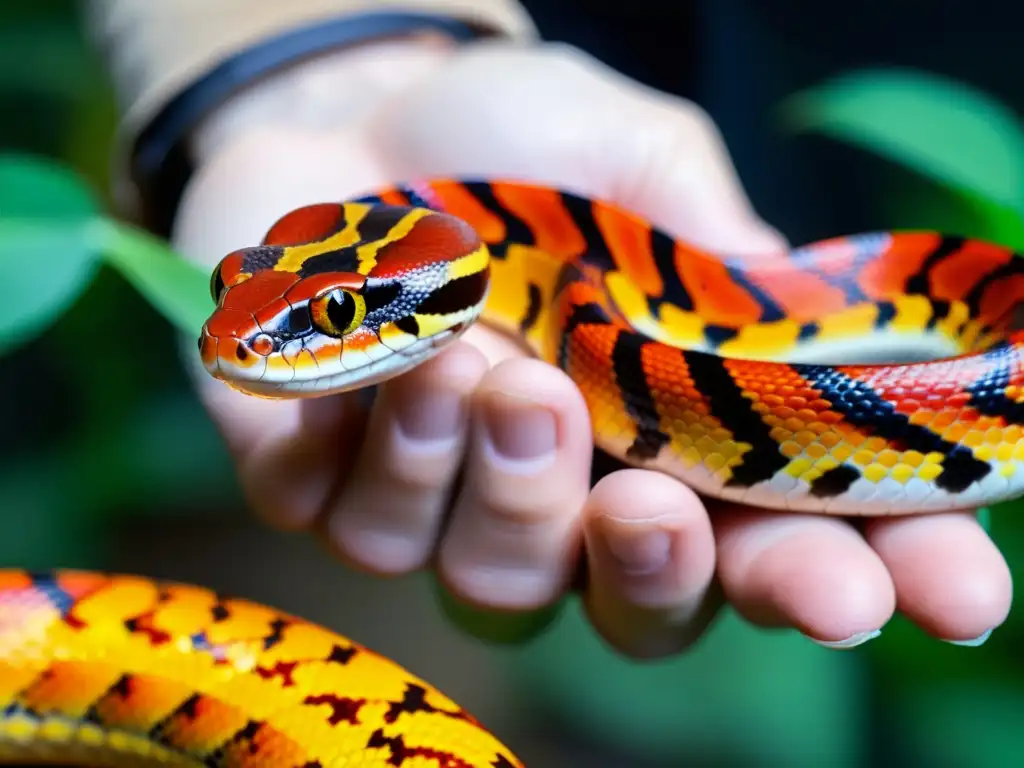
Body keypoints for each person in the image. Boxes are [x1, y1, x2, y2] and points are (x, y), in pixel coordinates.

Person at [83, 0, 1010, 659]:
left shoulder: (557, 286)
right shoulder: (495, 269)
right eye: (241, 290)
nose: (242, 338)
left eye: (329, 318)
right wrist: (308, 71)